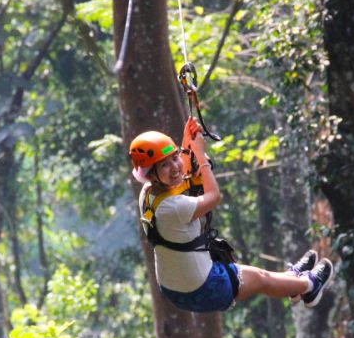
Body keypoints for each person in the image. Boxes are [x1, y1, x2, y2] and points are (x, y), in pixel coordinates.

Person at [129, 116, 333, 314]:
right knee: (261, 278)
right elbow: (213, 196)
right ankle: (309, 286)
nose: (175, 167)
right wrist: (200, 156)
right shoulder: (174, 208)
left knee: (260, 276)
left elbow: (179, 178)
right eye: (164, 165)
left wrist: (186, 144)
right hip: (204, 289)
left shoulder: (147, 193)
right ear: (150, 173)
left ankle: (292, 282)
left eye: (174, 158)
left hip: (173, 288)